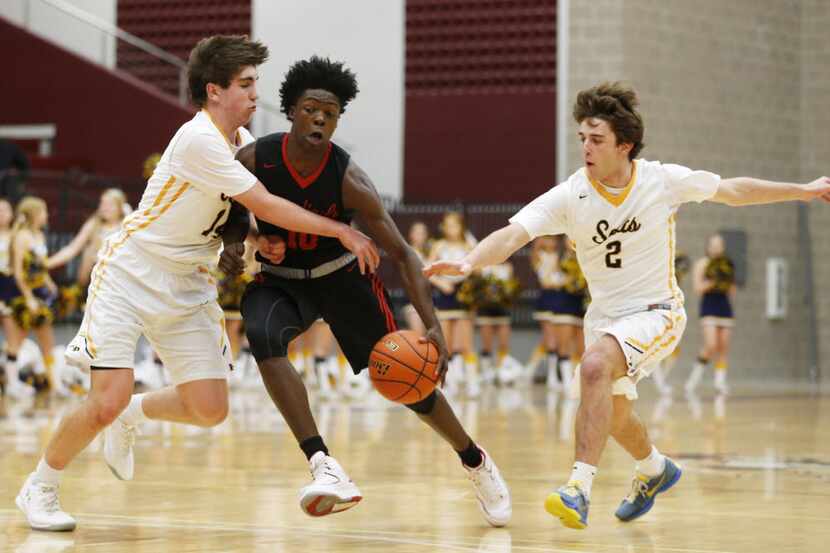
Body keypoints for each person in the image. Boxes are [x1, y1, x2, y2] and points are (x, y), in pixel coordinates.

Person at [424, 81, 830, 530]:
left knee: (594, 366)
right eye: (582, 139)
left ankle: (577, 489)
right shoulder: (572, 194)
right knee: (613, 415)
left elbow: (734, 190)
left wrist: (805, 189)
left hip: (657, 312)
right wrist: (468, 261)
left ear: (625, 145)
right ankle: (655, 469)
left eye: (597, 140)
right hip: (605, 320)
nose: (587, 148)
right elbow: (515, 234)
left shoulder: (661, 180)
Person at [15, 35, 379, 532]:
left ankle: (132, 415)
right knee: (104, 398)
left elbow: (242, 215)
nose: (256, 94)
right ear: (214, 91)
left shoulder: (244, 144)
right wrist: (339, 229)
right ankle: (40, 485)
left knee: (209, 409)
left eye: (257, 83)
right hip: (133, 273)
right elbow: (268, 205)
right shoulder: (199, 139)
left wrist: (256, 241)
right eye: (246, 84)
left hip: (189, 281)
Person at [223, 56, 510, 525]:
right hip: (283, 281)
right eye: (311, 108)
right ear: (292, 110)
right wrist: (245, 241)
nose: (320, 118)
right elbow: (231, 212)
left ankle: (475, 460)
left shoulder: (349, 179)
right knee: (262, 336)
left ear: (337, 121)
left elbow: (403, 255)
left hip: (343, 279)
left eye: (330, 113)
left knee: (409, 380)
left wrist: (433, 327)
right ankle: (323, 463)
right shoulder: (255, 159)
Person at [428, 212, 478, 396]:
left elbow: (477, 265)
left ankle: (472, 380)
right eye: (448, 225)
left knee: (465, 342)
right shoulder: (438, 245)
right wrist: (442, 283)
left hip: (463, 294)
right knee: (445, 342)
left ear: (461, 227)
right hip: (444, 293)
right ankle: (448, 382)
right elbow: (428, 269)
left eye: (455, 225)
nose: (451, 229)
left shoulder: (468, 244)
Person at [47, 188, 130, 289]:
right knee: (88, 252)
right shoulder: (94, 224)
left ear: (120, 207)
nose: (105, 208)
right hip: (95, 277)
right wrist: (48, 263)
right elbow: (72, 248)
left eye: (110, 205)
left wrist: (128, 214)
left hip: (119, 277)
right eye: (103, 203)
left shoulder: (127, 226)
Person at [684, 234, 735, 395]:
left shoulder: (726, 264)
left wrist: (725, 280)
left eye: (719, 245)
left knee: (723, 347)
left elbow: (732, 290)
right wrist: (714, 280)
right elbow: (697, 288)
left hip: (724, 306)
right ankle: (692, 381)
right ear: (708, 246)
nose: (716, 248)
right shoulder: (702, 264)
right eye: (713, 245)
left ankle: (720, 383)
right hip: (709, 307)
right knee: (711, 345)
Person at [402, 221, 431, 336]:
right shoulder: (406, 253)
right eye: (417, 232)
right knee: (418, 337)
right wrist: (442, 283)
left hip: (432, 301)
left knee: (433, 338)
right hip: (414, 301)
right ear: (410, 234)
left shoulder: (430, 252)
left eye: (422, 233)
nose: (420, 236)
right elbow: (421, 273)